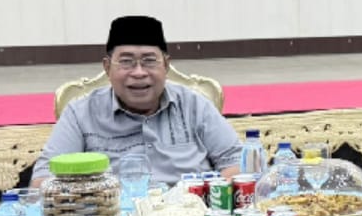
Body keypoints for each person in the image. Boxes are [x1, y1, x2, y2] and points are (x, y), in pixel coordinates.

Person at [33, 15, 241, 186]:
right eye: (126, 62)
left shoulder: (194, 105)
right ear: (107, 67)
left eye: (149, 61)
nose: (139, 72)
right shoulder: (80, 113)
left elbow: (236, 161)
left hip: (191, 214)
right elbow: (43, 179)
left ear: (166, 66)